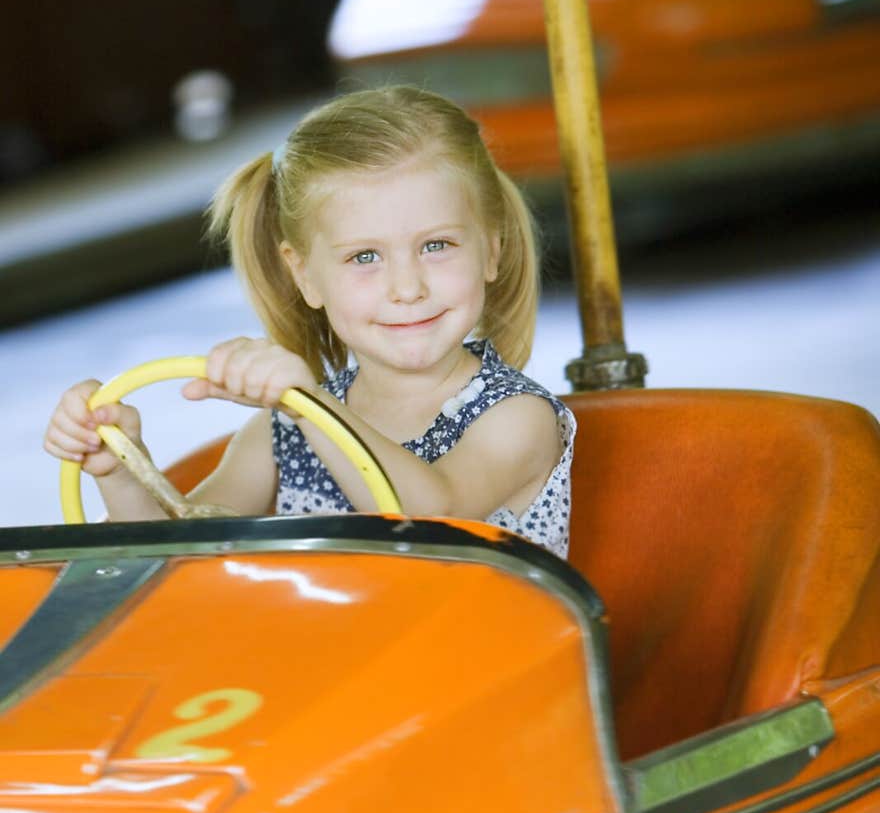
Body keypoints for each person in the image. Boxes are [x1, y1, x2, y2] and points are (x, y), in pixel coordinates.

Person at [43, 86, 576, 558]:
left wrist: (314, 410)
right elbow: (179, 561)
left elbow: (435, 518)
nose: (407, 287)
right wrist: (120, 469)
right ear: (305, 276)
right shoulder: (284, 430)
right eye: (365, 256)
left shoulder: (515, 417)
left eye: (437, 245)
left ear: (491, 252)